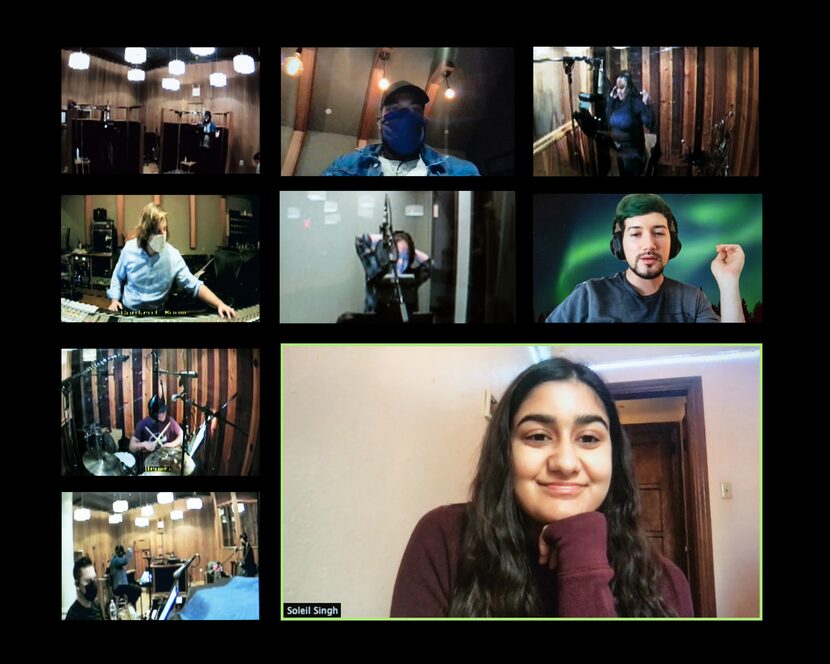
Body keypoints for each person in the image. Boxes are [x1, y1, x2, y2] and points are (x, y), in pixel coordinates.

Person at [391, 358, 695, 617]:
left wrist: (583, 562)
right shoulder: (445, 539)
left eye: (588, 438)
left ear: (614, 455)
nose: (564, 463)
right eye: (538, 436)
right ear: (505, 451)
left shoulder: (665, 583)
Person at [546, 194, 745, 323]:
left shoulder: (692, 301)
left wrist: (729, 281)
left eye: (658, 232)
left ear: (673, 243)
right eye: (635, 234)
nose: (649, 244)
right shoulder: (588, 297)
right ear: (619, 244)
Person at [321, 81, 480, 176]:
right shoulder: (344, 167)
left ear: (423, 121)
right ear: (379, 121)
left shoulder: (461, 171)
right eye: (394, 109)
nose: (405, 116)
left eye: (414, 110)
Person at [107, 203, 236, 318]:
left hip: (157, 315)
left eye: (164, 229)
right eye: (157, 231)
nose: (163, 235)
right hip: (128, 312)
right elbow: (117, 277)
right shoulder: (129, 249)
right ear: (145, 232)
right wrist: (114, 300)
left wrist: (219, 304)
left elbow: (194, 285)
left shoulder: (172, 255)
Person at [355, 230, 431, 316]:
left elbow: (428, 265)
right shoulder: (376, 271)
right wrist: (388, 240)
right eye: (397, 255)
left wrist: (410, 249)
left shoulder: (410, 278)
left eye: (405, 258)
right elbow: (361, 241)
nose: (401, 262)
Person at [606, 71, 654, 176]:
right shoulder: (616, 103)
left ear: (629, 88)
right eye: (617, 87)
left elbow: (649, 123)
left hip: (633, 154)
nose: (619, 91)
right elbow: (608, 120)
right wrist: (610, 100)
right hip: (620, 151)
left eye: (622, 87)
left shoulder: (636, 103)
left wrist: (647, 105)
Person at [130, 396, 188, 473]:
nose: (164, 413)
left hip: (167, 461)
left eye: (164, 410)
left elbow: (182, 434)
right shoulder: (142, 425)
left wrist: (170, 444)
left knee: (180, 469)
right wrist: (144, 444)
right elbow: (131, 447)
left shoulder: (169, 421)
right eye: (161, 412)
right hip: (150, 466)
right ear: (154, 414)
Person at [66, 556, 104, 620]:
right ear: (77, 585)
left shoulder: (96, 605)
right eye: (88, 580)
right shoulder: (72, 616)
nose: (93, 584)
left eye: (94, 578)